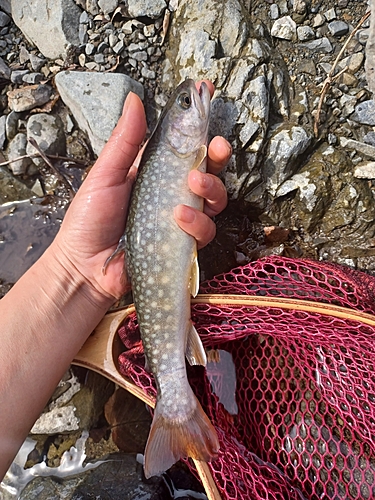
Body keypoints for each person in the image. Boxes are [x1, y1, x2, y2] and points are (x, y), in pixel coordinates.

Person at [0, 80, 231, 479]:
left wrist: (78, 273)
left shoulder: (180, 153)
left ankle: (176, 407)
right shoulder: (184, 154)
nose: (192, 101)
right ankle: (175, 404)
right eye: (183, 104)